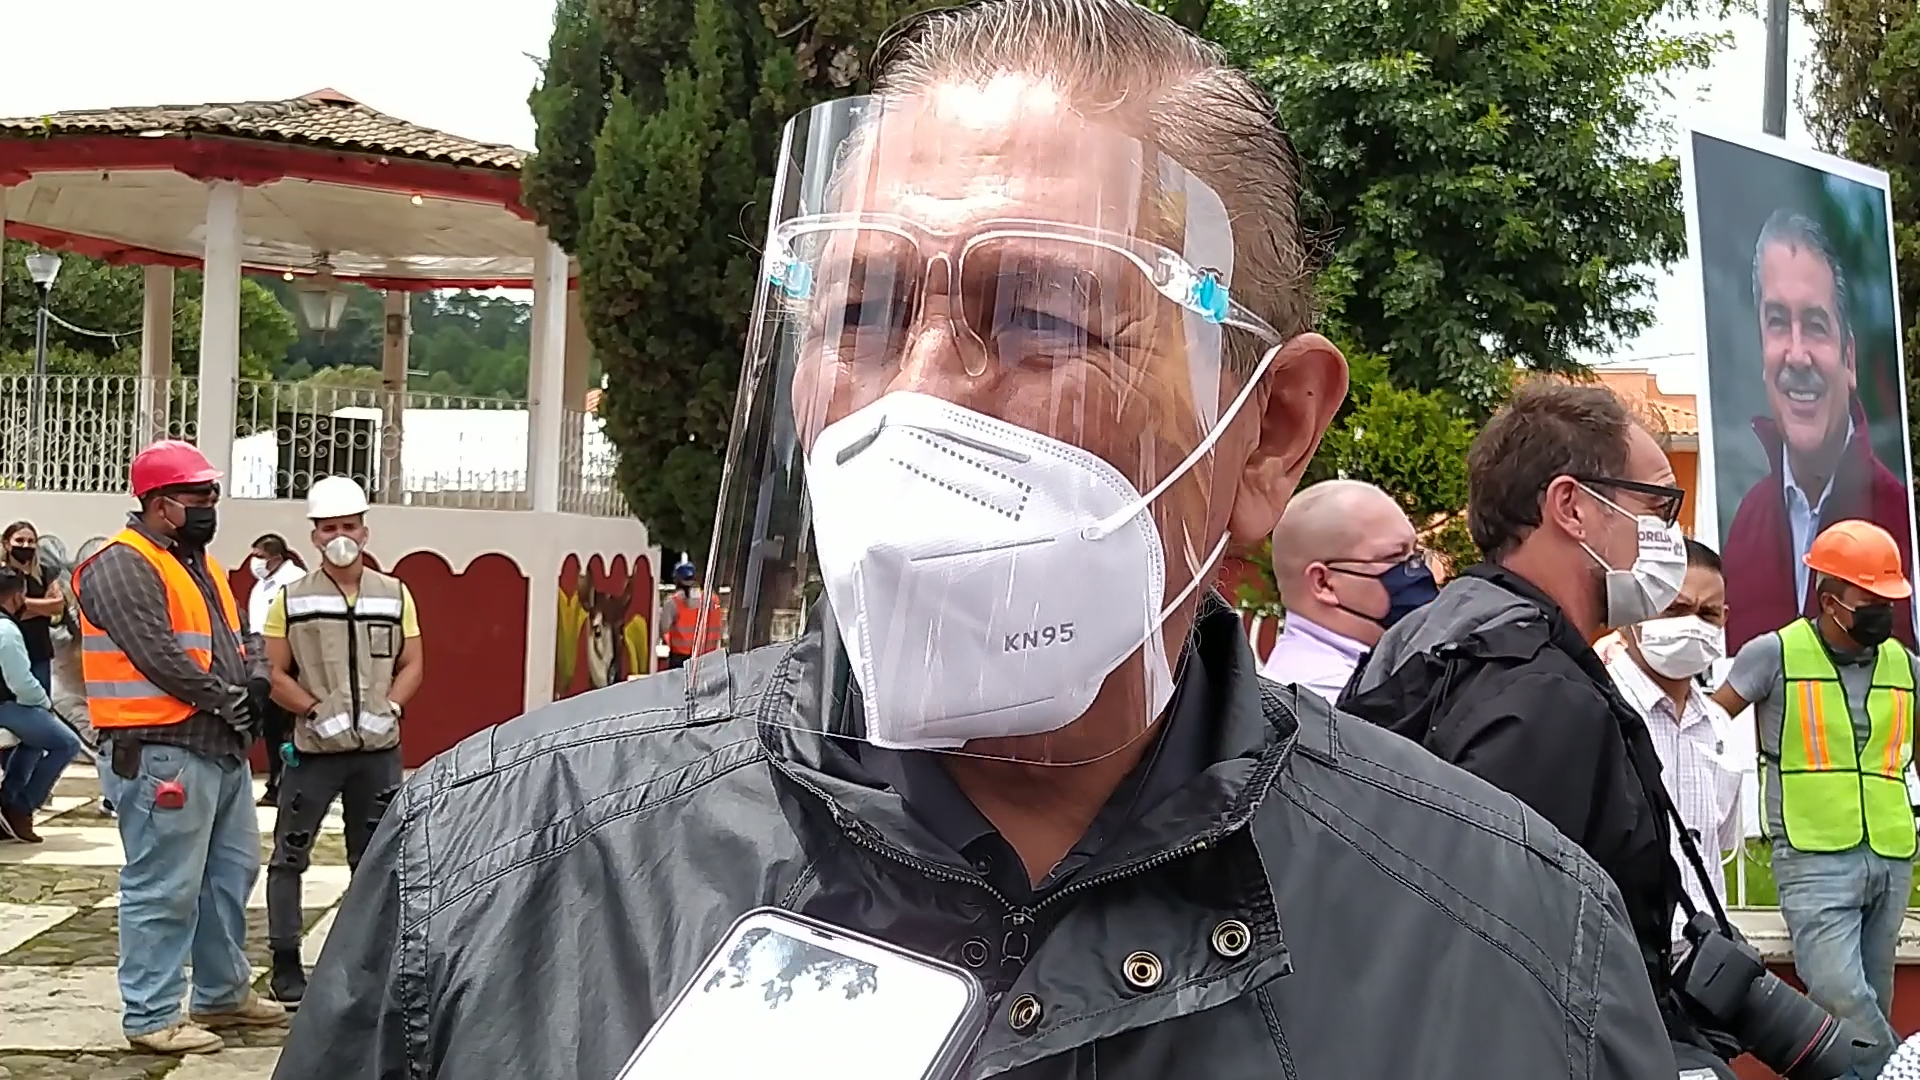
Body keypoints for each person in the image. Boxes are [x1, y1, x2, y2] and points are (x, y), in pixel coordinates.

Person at [278, 5, 1676, 1077]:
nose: (921, 394)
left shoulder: (1516, 948)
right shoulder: (500, 875)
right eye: (860, 311)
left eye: (1047, 316)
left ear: (1268, 428)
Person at [1343, 382, 1723, 1071]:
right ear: (1571, 507)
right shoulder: (1542, 698)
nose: (1670, 535)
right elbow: (1498, 964)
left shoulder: (1434, 639)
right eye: (1657, 506)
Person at [72, 439, 285, 1054]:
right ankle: (152, 1014)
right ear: (159, 502)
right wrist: (225, 696)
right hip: (159, 748)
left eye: (211, 494)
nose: (208, 504)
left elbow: (243, 633)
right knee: (163, 886)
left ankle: (221, 993)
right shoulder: (120, 564)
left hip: (218, 747)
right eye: (196, 495)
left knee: (229, 876)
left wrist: (258, 680)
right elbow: (157, 654)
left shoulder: (199, 564)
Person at [1711, 518, 1918, 1077]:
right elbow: (1706, 725)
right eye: (1870, 600)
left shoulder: (1905, 665)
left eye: (1889, 600)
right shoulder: (1773, 654)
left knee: (1874, 993)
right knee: (1839, 993)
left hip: (1892, 852)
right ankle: (1904, 1068)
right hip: (1812, 854)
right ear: (1830, 602)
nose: (1883, 611)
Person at [1721, 210, 1915, 654]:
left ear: (1850, 360)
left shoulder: (1902, 521)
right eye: (1777, 322)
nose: (1796, 355)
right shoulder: (1743, 527)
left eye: (1815, 325)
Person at [261, 476, 421, 1008]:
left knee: (375, 861)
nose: (339, 537)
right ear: (314, 537)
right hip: (314, 753)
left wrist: (392, 706)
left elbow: (413, 662)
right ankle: (285, 961)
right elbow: (273, 672)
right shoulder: (291, 598)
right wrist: (312, 710)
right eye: (328, 529)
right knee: (290, 856)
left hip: (377, 752)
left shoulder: (395, 594)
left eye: (348, 526)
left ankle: (371, 963)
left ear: (365, 531)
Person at [1602, 538, 1743, 953]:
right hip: (1625, 950)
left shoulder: (1719, 727)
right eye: (1676, 609)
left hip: (1707, 954)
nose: (1692, 625)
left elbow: (1721, 842)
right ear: (1632, 613)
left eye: (1707, 613)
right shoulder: (1598, 709)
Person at [1260, 479, 1435, 699]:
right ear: (1323, 583)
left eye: (1415, 553)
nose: (1416, 569)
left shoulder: (1382, 669)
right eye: (1393, 557)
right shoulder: (1322, 702)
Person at [0, 566, 81, 842]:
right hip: (5, 706)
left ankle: (9, 798)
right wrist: (44, 704)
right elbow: (21, 682)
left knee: (36, 736)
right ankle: (21, 806)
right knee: (66, 743)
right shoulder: (6, 630)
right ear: (18, 596)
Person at [247, 533, 306, 807]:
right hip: (264, 662)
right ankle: (275, 784)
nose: (255, 562)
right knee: (270, 727)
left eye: (260, 556)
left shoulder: (295, 581)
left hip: (289, 662)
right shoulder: (261, 586)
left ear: (277, 558)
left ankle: (291, 786)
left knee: (288, 729)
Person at [5, 521, 67, 696]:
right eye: (20, 540)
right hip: (8, 651)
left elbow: (58, 606)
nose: (26, 545)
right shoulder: (3, 575)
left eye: (31, 541)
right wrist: (43, 606)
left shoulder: (45, 573)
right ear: (7, 544)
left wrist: (20, 604)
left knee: (41, 702)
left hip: (39, 651)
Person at [658, 560, 720, 670]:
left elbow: (663, 628)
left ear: (676, 580)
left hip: (681, 658)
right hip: (709, 657)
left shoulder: (673, 602)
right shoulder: (713, 600)